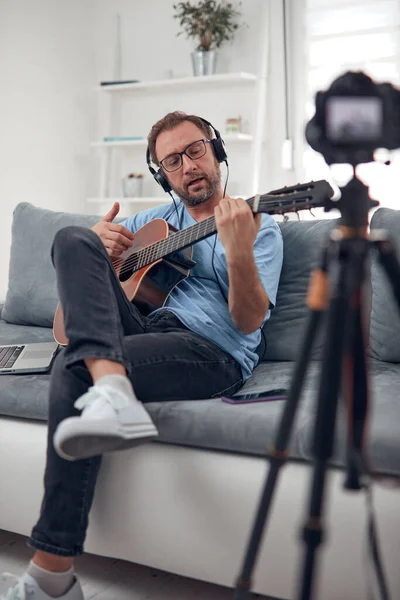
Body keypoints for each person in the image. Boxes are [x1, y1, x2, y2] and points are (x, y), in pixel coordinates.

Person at [1, 111, 283, 599]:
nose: (188, 166)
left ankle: (51, 574)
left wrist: (238, 252)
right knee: (73, 238)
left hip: (210, 350)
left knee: (74, 364)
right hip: (144, 331)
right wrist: (100, 250)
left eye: (195, 150)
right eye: (172, 160)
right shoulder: (150, 224)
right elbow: (75, 301)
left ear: (216, 151)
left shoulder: (258, 223)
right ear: (161, 174)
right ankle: (112, 386)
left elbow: (249, 322)